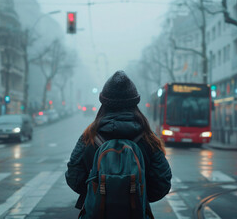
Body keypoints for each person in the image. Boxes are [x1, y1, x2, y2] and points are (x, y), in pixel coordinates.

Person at [66, 70, 172, 218]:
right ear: (135, 102)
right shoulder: (148, 138)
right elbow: (162, 183)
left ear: (104, 103)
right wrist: (137, 194)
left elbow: (73, 177)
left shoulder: (89, 136)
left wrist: (97, 192)